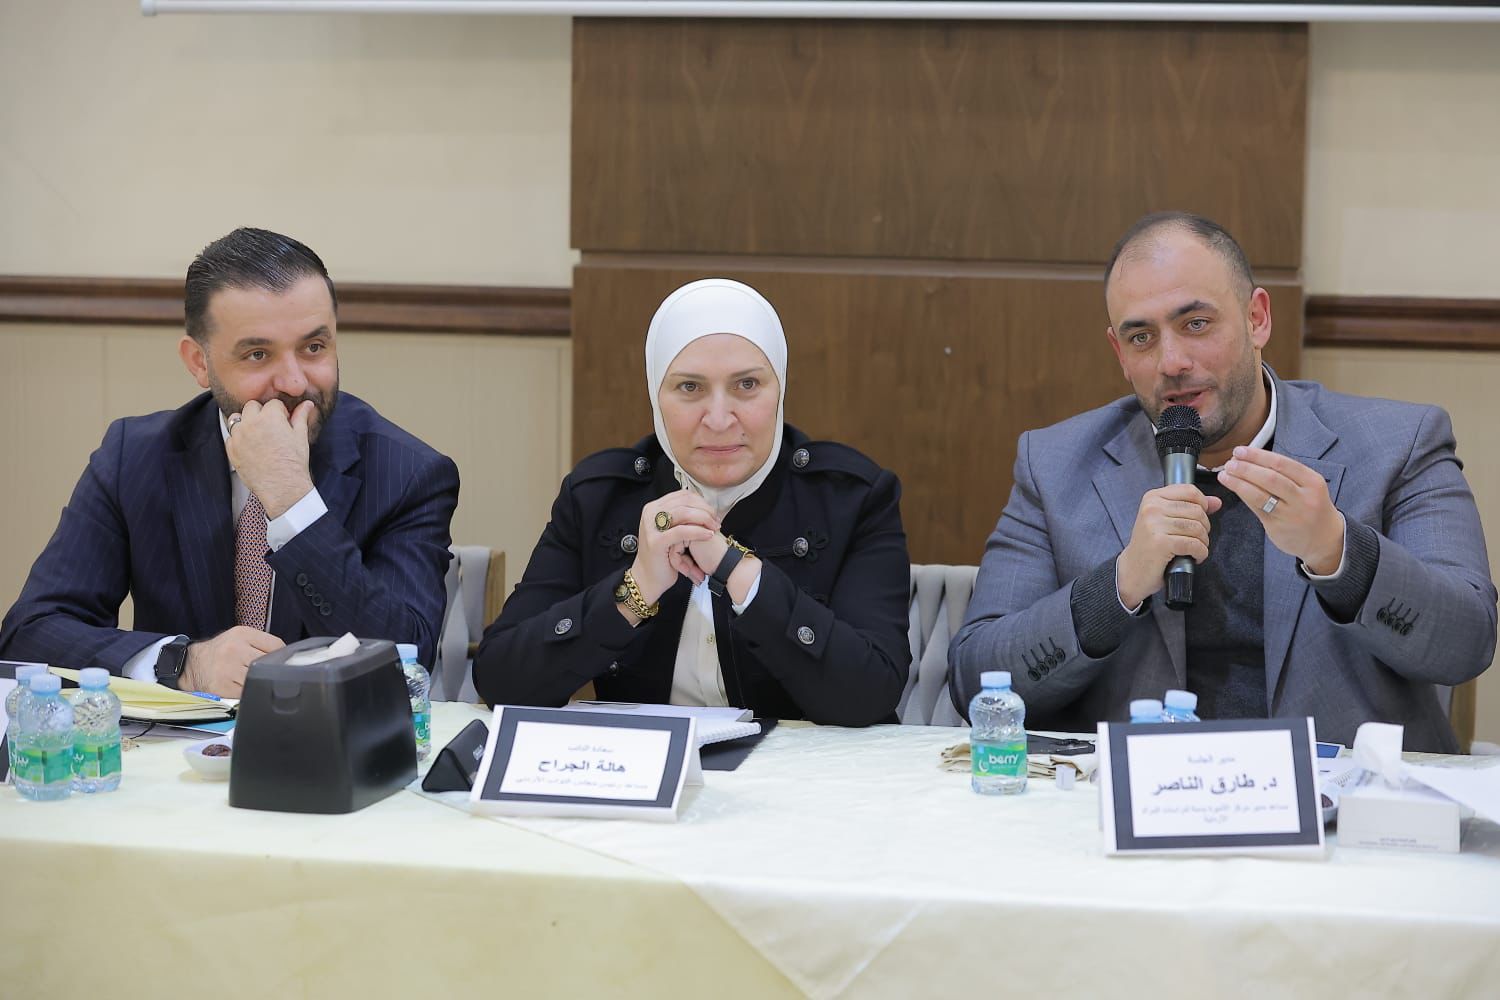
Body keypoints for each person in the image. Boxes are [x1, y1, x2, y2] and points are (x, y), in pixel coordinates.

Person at [950, 212, 1496, 752]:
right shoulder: (1056, 465)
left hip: (1341, 796)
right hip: (1139, 793)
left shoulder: (1398, 444)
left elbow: (1466, 643)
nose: (1172, 362)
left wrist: (1339, 551)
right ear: (1120, 353)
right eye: (1141, 337)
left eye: (1196, 324)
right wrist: (1117, 588)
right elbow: (976, 679)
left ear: (1257, 319)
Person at [0, 228, 459, 696]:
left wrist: (292, 501)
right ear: (199, 363)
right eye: (258, 354)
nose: (294, 382)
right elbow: (30, 633)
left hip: (334, 737)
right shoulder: (135, 456)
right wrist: (184, 663)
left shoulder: (407, 474)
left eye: (313, 348)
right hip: (174, 741)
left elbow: (404, 664)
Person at [474, 278, 910, 725]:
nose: (718, 420)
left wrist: (737, 571)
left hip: (804, 769)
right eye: (689, 388)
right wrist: (636, 590)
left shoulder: (852, 498)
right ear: (655, 395)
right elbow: (501, 680)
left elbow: (871, 693)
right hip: (645, 764)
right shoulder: (599, 497)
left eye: (746, 384)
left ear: (780, 389)